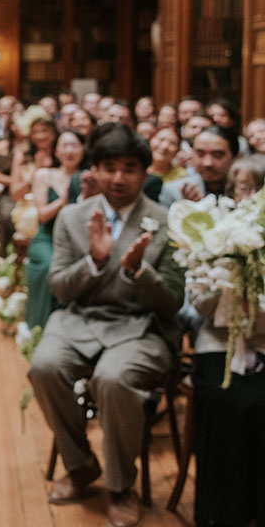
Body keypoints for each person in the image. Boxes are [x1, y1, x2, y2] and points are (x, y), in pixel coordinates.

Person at [28, 125, 183, 527]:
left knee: (113, 380)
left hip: (141, 326)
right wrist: (95, 263)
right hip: (81, 319)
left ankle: (121, 486)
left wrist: (137, 271)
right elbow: (59, 286)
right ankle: (80, 465)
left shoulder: (166, 222)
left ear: (146, 173)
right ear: (93, 170)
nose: (118, 178)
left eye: (130, 168)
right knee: (44, 366)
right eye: (109, 167)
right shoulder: (73, 217)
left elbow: (172, 302)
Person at [188, 154, 265, 527]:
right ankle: (225, 512)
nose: (248, 197)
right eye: (242, 188)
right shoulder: (214, 231)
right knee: (230, 402)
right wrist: (228, 272)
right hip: (219, 343)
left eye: (257, 190)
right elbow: (199, 305)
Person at [25, 130, 84, 331]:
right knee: (49, 266)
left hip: (77, 239)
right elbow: (42, 215)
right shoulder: (44, 175)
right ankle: (39, 327)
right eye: (64, 145)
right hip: (47, 236)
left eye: (75, 145)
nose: (70, 150)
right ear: (56, 151)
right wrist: (64, 200)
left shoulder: (87, 177)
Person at [160, 124, 238, 207]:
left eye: (217, 155)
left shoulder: (247, 192)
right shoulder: (174, 191)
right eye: (200, 154)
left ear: (235, 158)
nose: (207, 163)